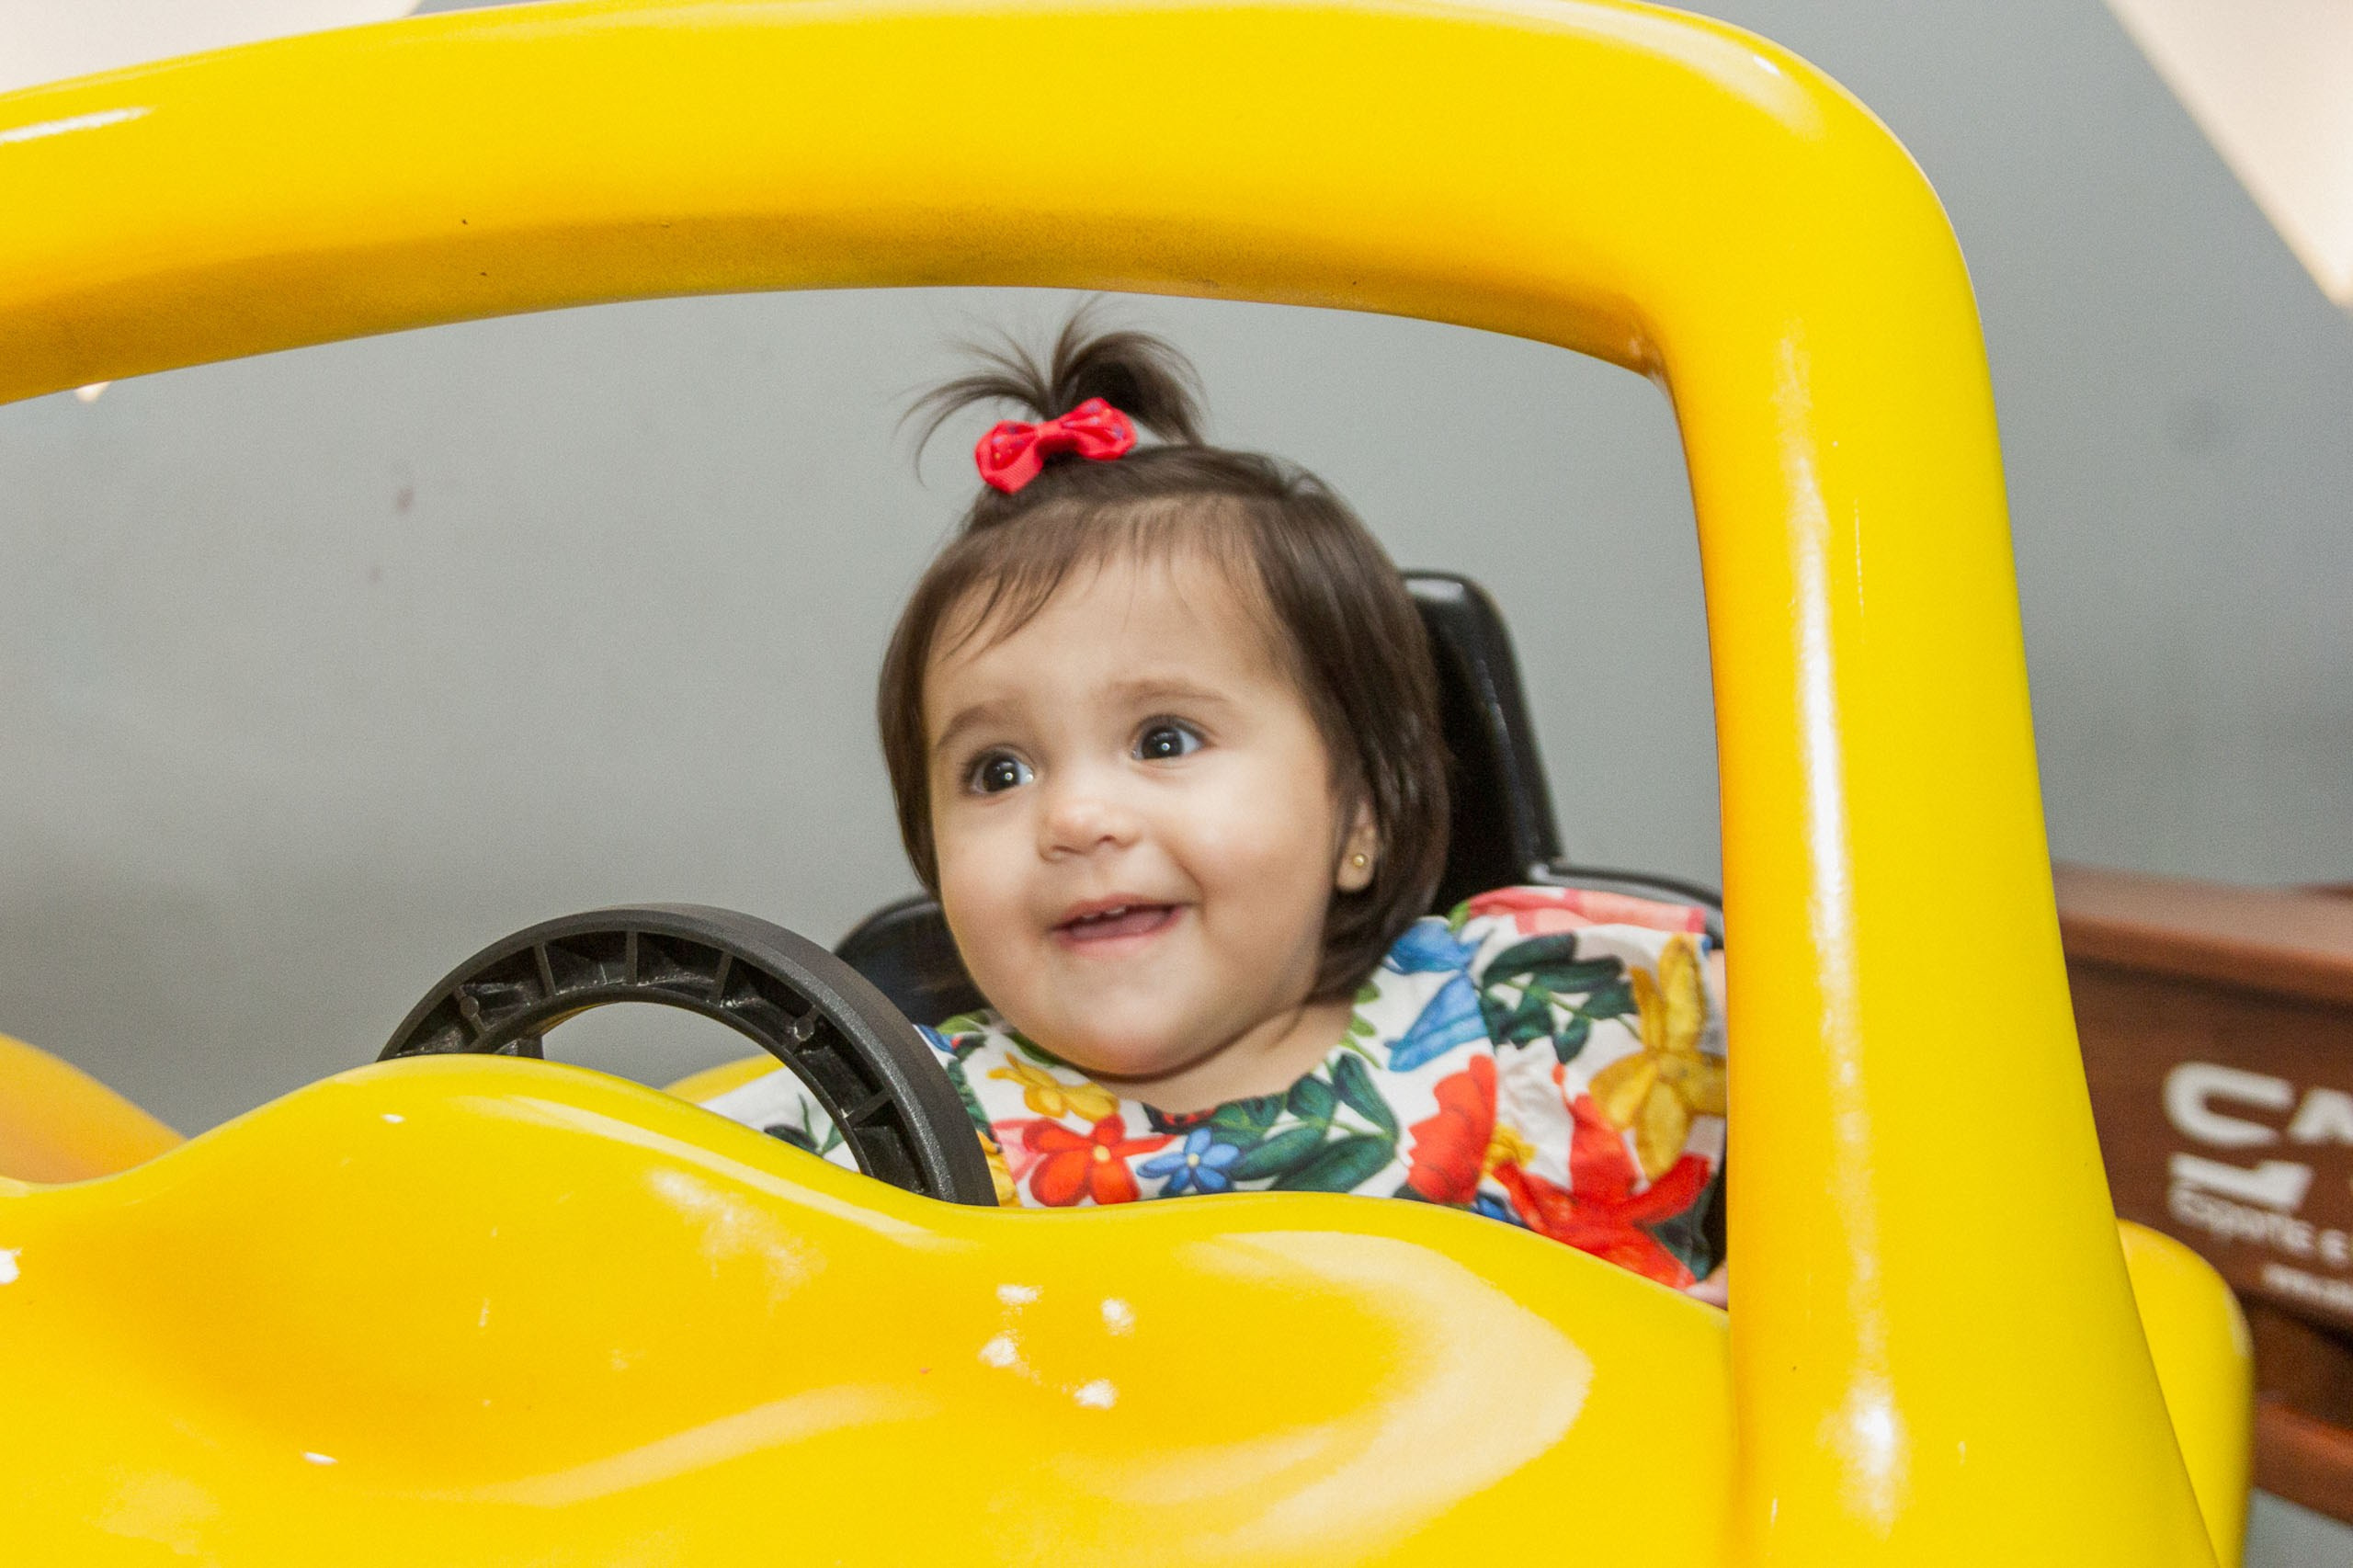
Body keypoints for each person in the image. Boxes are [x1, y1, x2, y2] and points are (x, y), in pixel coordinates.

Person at [706, 313, 1727, 1298]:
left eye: (1163, 739)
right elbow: (619, 1224)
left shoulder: (1552, 1023)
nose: (1074, 816)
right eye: (997, 770)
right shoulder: (880, 1133)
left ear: (1360, 814)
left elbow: (1874, 1063)